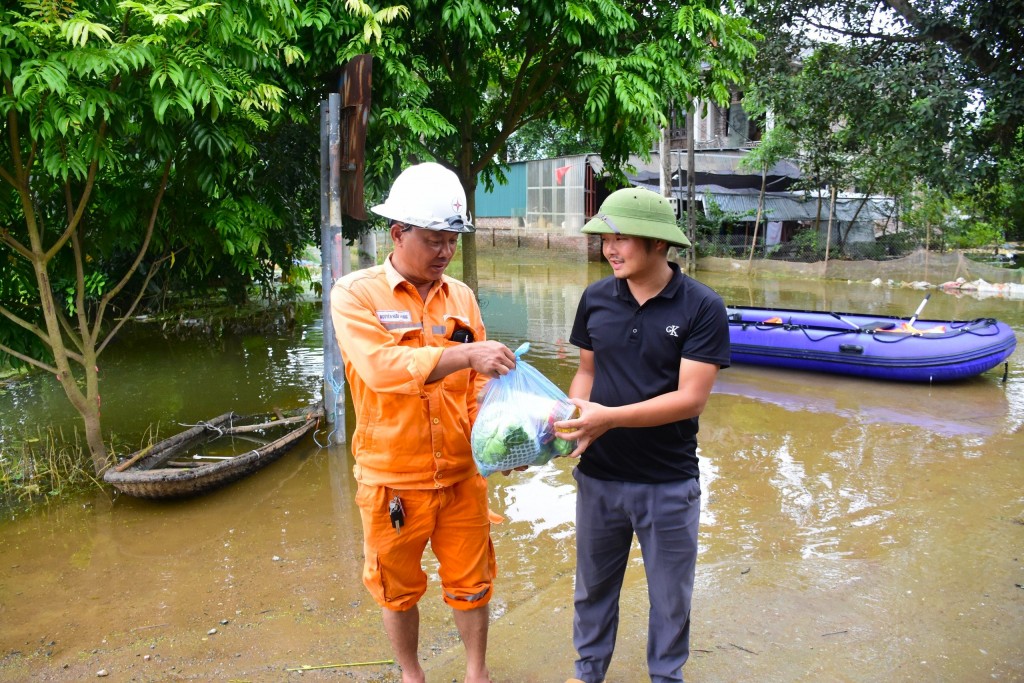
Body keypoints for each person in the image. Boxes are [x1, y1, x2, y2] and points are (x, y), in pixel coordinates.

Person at [330, 162, 517, 683]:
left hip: (461, 475)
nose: (445, 252)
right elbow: (380, 368)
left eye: (452, 241)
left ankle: (475, 674)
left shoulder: (462, 297)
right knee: (397, 586)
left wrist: (501, 443)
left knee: (472, 581)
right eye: (435, 240)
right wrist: (466, 356)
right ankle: (413, 675)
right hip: (393, 478)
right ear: (398, 233)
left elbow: (481, 388)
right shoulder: (355, 294)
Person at [554, 187, 731, 683]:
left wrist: (606, 418)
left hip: (668, 481)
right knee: (592, 589)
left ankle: (666, 677)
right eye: (606, 238)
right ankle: (587, 673)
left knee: (670, 597)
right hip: (600, 476)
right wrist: (573, 417)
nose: (610, 249)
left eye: (622, 238)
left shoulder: (701, 306)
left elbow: (689, 398)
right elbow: (587, 373)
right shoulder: (595, 298)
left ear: (658, 243)